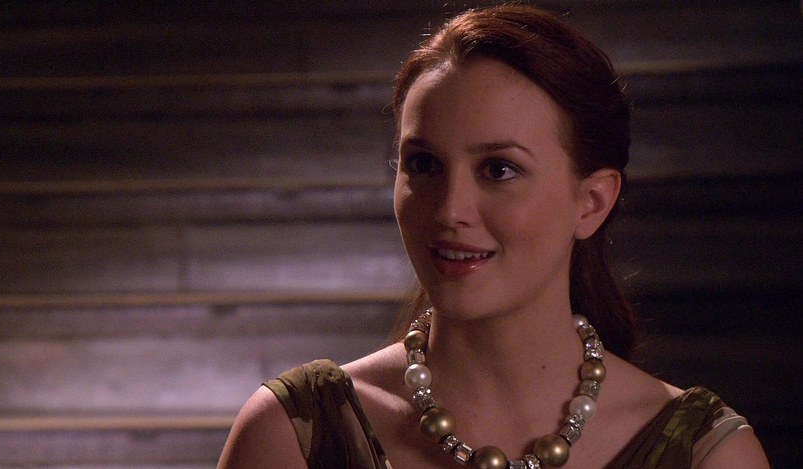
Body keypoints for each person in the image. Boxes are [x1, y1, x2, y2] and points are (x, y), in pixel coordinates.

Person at [218, 5, 769, 468]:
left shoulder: (708, 454)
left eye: (499, 169)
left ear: (592, 202)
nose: (449, 211)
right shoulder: (293, 436)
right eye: (424, 164)